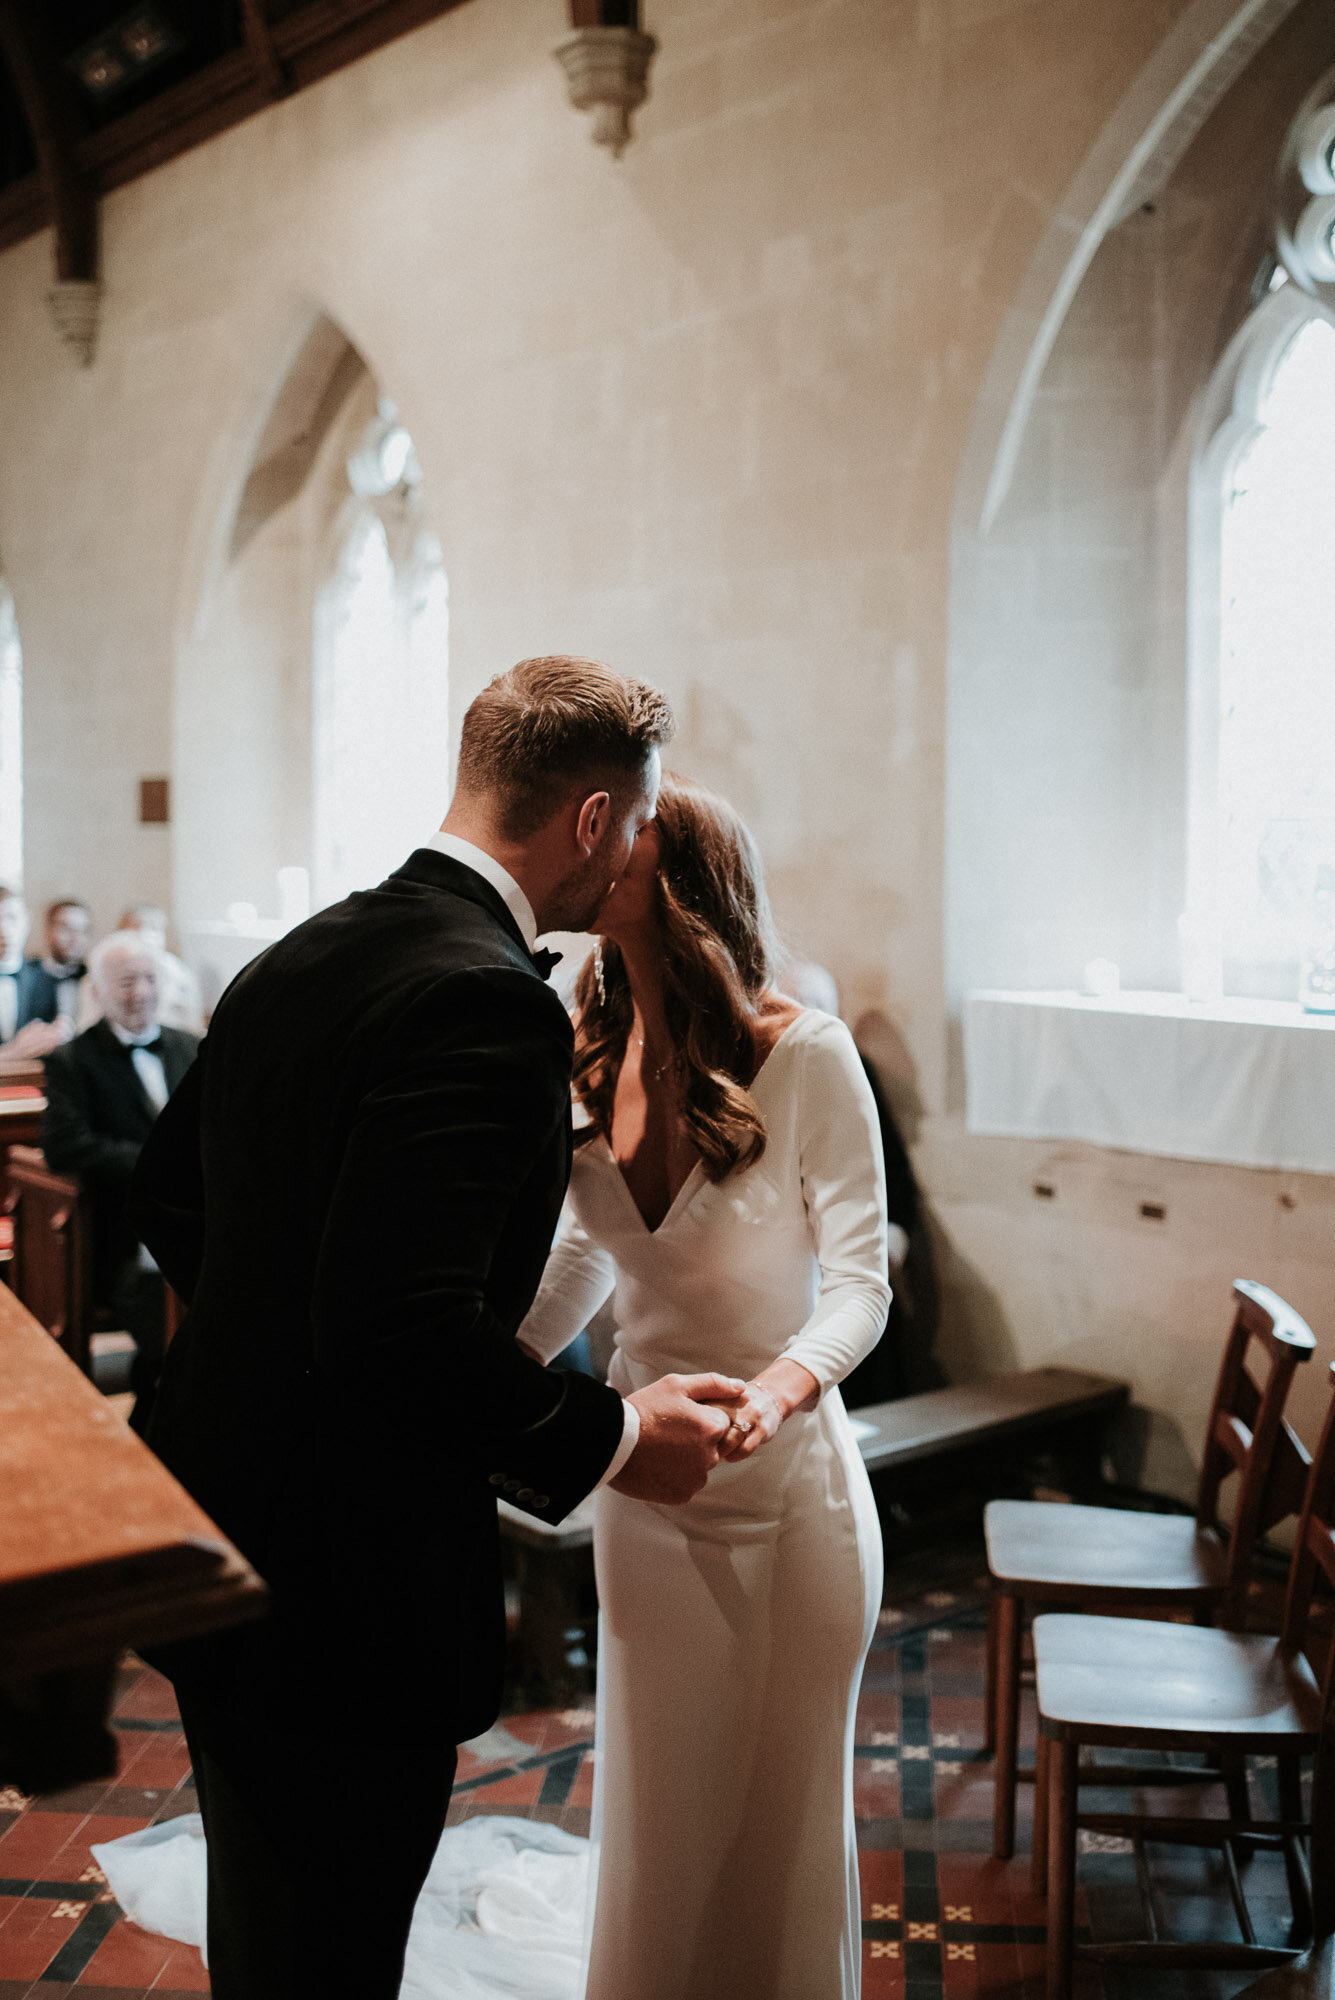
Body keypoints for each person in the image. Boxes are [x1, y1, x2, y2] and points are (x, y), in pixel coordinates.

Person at [127, 657, 746, 2000]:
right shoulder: (482, 996)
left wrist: (275, 1342)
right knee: (333, 1948)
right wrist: (620, 1435)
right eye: (632, 826)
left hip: (218, 1535)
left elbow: (172, 1189)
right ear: (592, 820)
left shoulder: (306, 948)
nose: (632, 853)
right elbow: (400, 1330)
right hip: (347, 1582)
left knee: (270, 1933)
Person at [510, 774, 890, 2000]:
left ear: (676, 879)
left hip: (787, 1491)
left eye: (623, 840)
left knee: (775, 1818)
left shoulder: (806, 1053)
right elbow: (588, 1249)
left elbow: (863, 1283)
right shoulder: (589, 1036)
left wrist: (781, 1389)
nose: (595, 850)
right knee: (660, 1807)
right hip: (641, 1484)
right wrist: (489, 1371)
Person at [41, 932, 199, 1429]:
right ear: (100, 992)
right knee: (181, 1348)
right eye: (127, 981)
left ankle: (151, 1437)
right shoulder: (73, 1061)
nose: (142, 992)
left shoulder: (189, 1046)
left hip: (197, 1225)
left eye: (151, 979)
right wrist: (158, 1162)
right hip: (123, 1241)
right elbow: (65, 1145)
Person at [79, 903, 205, 1035]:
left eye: (155, 928)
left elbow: (193, 1023)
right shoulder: (102, 971)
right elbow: (88, 1023)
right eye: (139, 926)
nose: (149, 935)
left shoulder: (181, 974)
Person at [0, 886, 74, 1058]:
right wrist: (13, 1051)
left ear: (27, 920)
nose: (4, 930)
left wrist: (60, 1035)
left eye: (12, 918)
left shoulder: (45, 979)